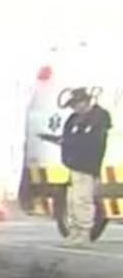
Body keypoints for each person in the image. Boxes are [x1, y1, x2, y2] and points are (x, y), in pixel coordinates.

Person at [43, 89, 112, 244]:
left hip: (88, 166)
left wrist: (69, 142)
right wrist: (60, 140)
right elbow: (69, 137)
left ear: (86, 101)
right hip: (73, 165)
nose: (75, 108)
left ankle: (83, 234)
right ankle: (74, 232)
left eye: (77, 103)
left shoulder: (99, 117)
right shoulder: (74, 119)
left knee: (83, 200)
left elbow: (93, 141)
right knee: (73, 200)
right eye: (73, 105)